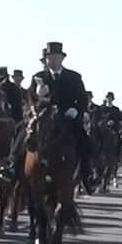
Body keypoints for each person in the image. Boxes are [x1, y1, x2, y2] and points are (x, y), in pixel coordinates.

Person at [22, 41, 97, 190]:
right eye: (49, 57)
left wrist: (76, 110)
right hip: (44, 116)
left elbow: (82, 99)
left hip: (67, 117)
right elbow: (30, 97)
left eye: (56, 57)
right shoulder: (38, 77)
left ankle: (88, 174)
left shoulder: (74, 77)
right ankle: (14, 168)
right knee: (23, 136)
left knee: (84, 139)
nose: (52, 60)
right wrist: (36, 104)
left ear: (62, 59)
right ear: (46, 59)